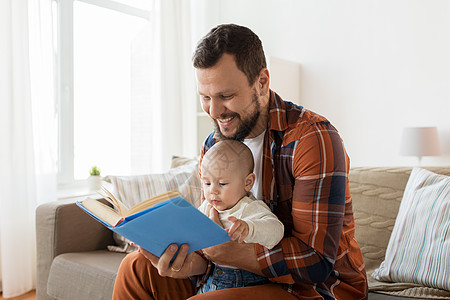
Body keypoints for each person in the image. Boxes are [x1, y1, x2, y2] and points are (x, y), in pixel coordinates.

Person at [113, 24, 368, 299]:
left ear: (262, 82)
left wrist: (230, 253)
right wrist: (191, 264)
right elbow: (208, 243)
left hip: (312, 290)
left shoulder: (312, 138)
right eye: (205, 97)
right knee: (135, 269)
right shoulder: (214, 144)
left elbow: (315, 262)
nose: (214, 111)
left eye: (226, 96)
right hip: (228, 278)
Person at [197, 139, 284, 293]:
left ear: (248, 183)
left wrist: (250, 228)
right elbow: (192, 228)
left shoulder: (248, 208)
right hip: (211, 279)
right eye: (207, 183)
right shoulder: (207, 207)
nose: (212, 191)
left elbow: (277, 231)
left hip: (244, 282)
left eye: (222, 183)